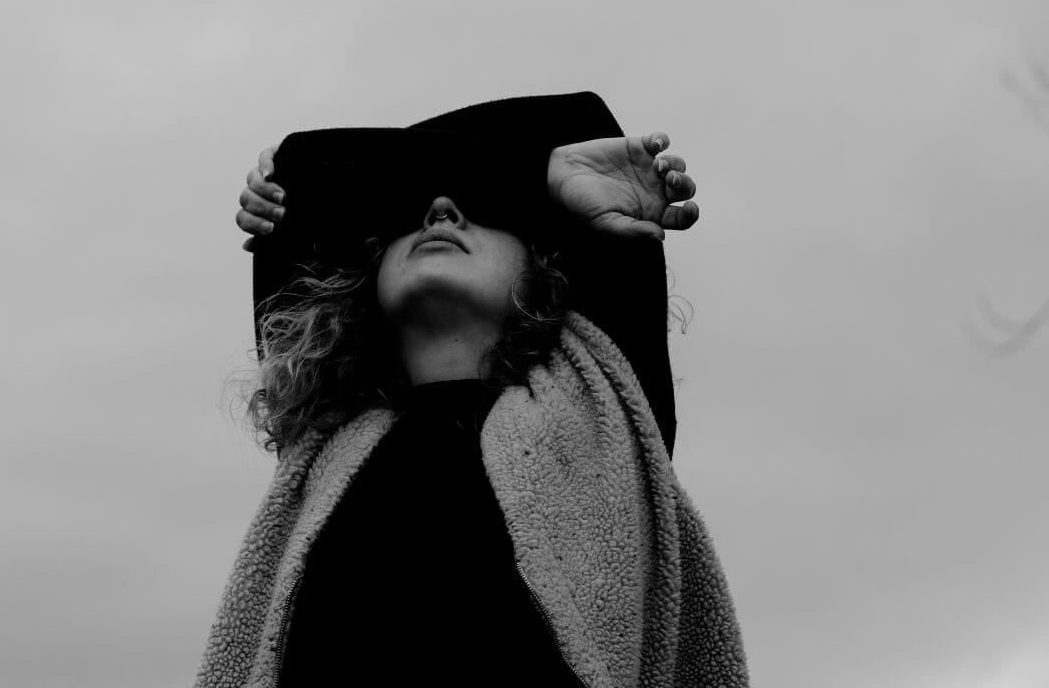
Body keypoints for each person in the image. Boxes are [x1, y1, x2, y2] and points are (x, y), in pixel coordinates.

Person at [195, 93, 749, 687]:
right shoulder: (327, 435)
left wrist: (538, 177)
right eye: (410, 218)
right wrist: (527, 172)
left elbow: (308, 166)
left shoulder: (602, 408)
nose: (440, 213)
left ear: (547, 273)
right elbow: (308, 166)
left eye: (483, 212)